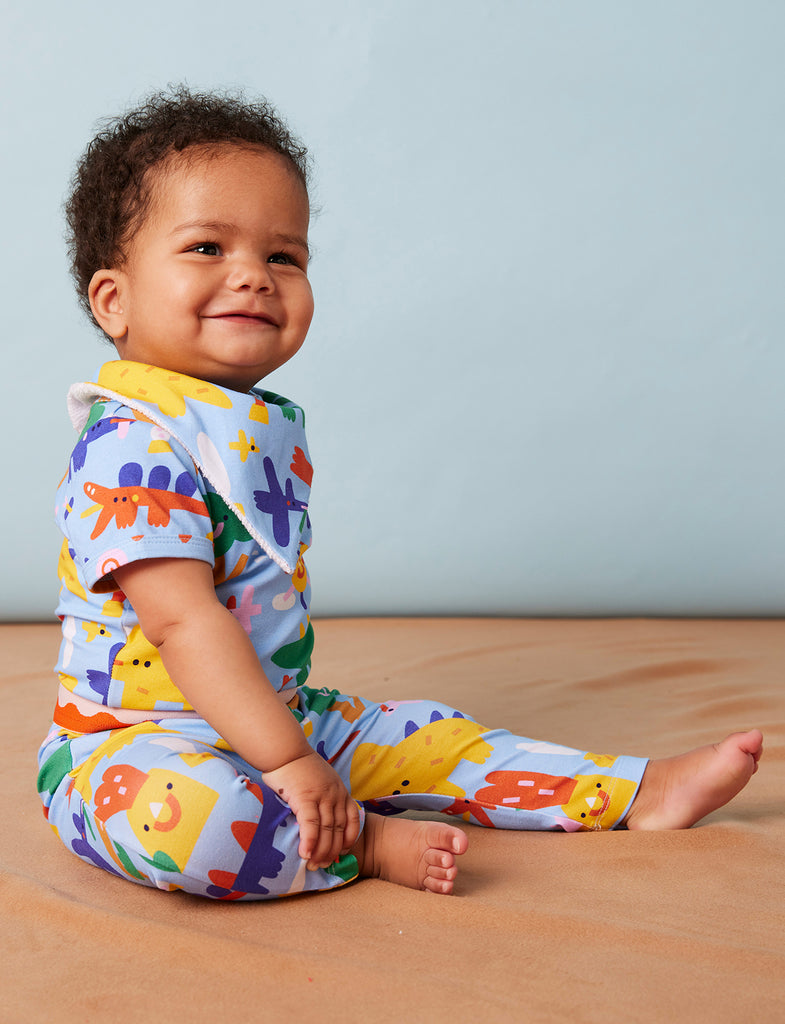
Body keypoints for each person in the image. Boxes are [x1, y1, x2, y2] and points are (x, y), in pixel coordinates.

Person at [37, 88, 763, 900]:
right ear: (115, 300)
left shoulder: (245, 423)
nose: (253, 275)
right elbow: (180, 619)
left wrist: (294, 742)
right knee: (197, 826)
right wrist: (288, 763)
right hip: (134, 745)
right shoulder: (130, 442)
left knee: (430, 737)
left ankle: (636, 790)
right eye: (206, 247)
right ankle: (366, 841)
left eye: (285, 256)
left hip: (277, 715)